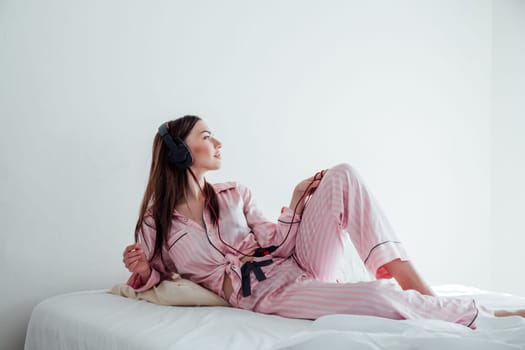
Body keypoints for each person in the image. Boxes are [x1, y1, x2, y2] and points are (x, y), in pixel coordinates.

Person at [123, 115, 524, 329]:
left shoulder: (234, 194)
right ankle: (481, 316)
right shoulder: (156, 224)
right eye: (207, 136)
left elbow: (275, 242)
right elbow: (158, 278)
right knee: (375, 297)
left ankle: (426, 295)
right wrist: (142, 270)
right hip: (265, 294)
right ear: (178, 151)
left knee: (343, 174)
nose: (218, 143)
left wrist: (296, 205)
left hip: (296, 260)